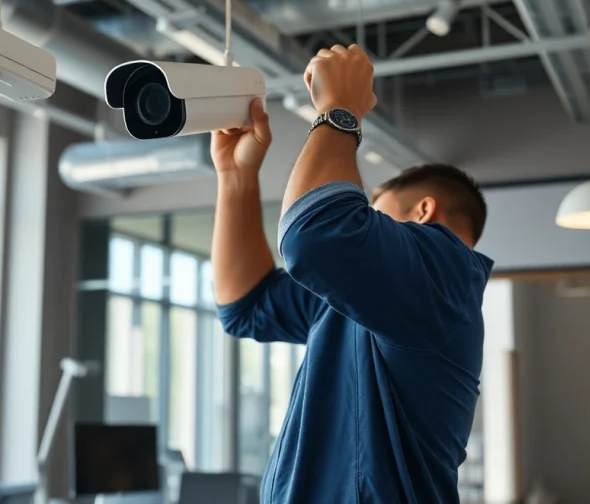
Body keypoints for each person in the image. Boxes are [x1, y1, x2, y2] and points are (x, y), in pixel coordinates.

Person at [210, 44, 494, 503]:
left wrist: (341, 108)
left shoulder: (445, 271)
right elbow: (247, 306)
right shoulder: (361, 303)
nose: (364, 223)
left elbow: (319, 233)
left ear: (423, 211)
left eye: (372, 213)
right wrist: (236, 177)